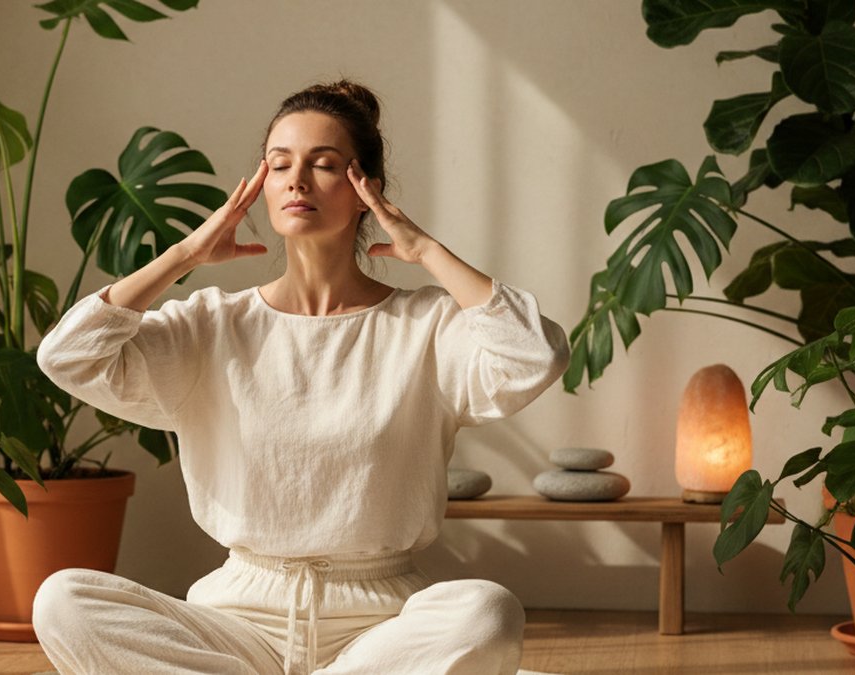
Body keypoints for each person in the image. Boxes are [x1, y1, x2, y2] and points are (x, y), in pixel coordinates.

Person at [31, 79, 569, 675]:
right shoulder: (212, 324)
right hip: (236, 623)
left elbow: (534, 355)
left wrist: (428, 252)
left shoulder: (428, 326)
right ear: (260, 187)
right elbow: (69, 355)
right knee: (64, 601)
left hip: (386, 630)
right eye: (280, 164)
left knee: (486, 613)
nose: (297, 180)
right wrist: (184, 255)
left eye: (325, 164)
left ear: (367, 189)